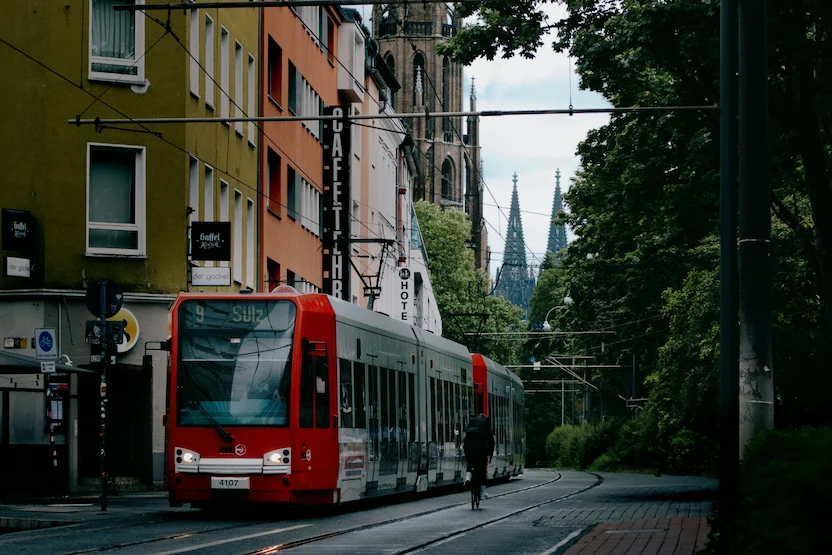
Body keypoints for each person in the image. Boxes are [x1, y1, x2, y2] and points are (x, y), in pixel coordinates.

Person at [463, 413, 495, 500]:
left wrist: (466, 452)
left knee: (470, 463)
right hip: (482, 450)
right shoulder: (486, 428)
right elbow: (491, 442)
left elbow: (465, 440)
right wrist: (490, 455)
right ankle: (483, 492)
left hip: (470, 448)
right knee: (482, 470)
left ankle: (468, 478)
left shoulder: (471, 426)